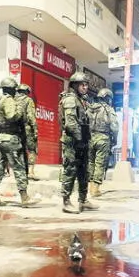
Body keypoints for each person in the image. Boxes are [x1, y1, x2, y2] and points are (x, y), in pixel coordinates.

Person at [0, 78, 39, 207]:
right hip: (10, 138)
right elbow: (12, 116)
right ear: (12, 89)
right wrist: (20, 112)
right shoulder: (9, 100)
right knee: (19, 168)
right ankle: (24, 198)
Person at [59, 72, 99, 214]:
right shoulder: (70, 100)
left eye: (86, 84)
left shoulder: (81, 100)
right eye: (82, 84)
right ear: (74, 85)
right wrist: (79, 140)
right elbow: (71, 124)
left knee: (84, 172)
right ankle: (66, 201)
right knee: (70, 170)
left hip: (82, 141)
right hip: (73, 142)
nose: (85, 87)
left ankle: (83, 200)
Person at [87, 88, 119, 197]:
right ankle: (95, 189)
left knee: (91, 163)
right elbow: (114, 127)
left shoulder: (90, 108)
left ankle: (90, 187)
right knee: (100, 163)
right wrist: (114, 140)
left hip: (90, 138)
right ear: (107, 98)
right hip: (103, 138)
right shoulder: (109, 109)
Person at [15, 83, 40, 181]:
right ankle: (30, 172)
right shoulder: (28, 100)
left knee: (19, 150)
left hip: (16, 129)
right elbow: (31, 116)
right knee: (32, 149)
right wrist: (35, 129)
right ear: (27, 92)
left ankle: (19, 172)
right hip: (27, 129)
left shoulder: (13, 100)